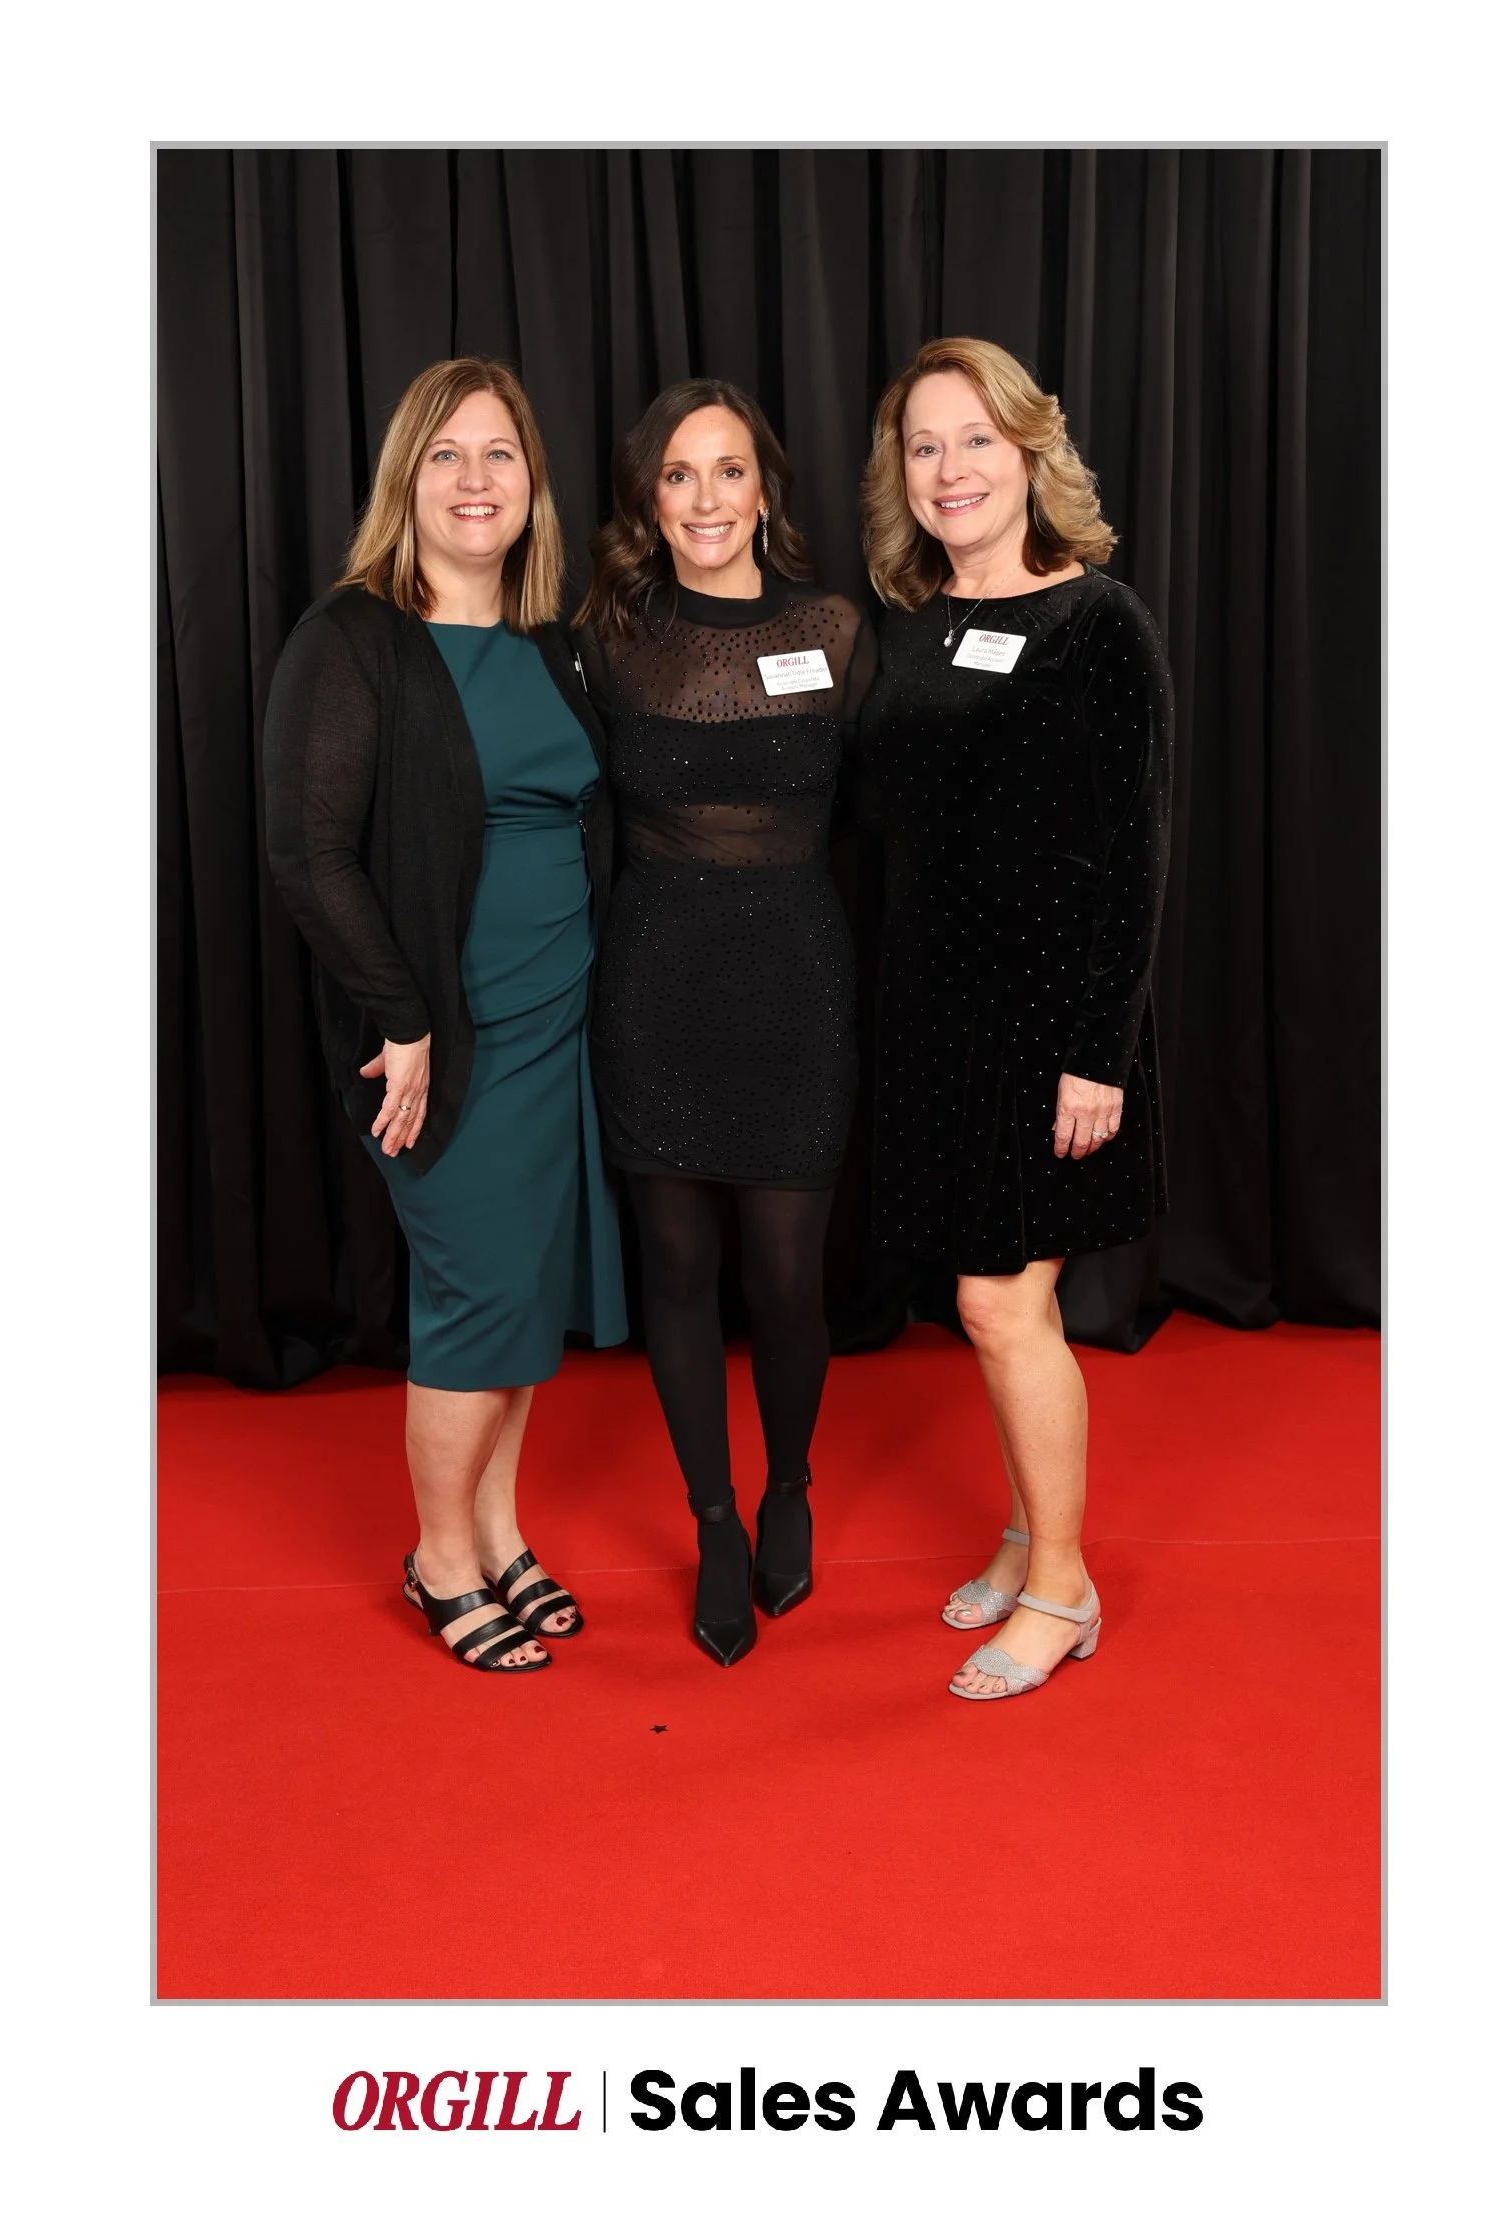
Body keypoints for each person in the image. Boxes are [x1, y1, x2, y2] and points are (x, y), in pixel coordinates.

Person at [263, 358, 626, 1676]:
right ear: (405, 482)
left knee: (526, 1291)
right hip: (444, 1044)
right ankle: (437, 1556)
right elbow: (309, 854)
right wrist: (402, 1017)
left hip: (557, 1024)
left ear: (533, 483)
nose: (477, 482)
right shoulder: (353, 637)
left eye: (501, 456)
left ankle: (498, 1527)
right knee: (476, 1298)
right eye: (447, 457)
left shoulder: (550, 642)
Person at [858, 336, 1173, 1702]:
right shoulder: (915, 619)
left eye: (974, 439)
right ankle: (1024, 1531)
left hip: (1057, 1029)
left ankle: (1061, 1587)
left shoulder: (1097, 618)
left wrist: (1098, 1053)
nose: (949, 469)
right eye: (924, 446)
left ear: (1028, 451)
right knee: (982, 1303)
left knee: (1002, 1303)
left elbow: (1144, 846)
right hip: (943, 1019)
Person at [574, 380, 875, 1665]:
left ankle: (788, 1483)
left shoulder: (839, 629)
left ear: (766, 486)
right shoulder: (607, 635)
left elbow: (889, 811)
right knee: (679, 1272)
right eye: (679, 476)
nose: (706, 499)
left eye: (729, 471)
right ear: (652, 499)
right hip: (655, 987)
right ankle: (710, 1518)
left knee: (785, 1274)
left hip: (798, 985)